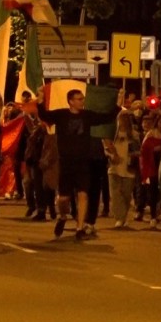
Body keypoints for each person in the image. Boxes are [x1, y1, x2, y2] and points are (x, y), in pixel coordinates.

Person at [36, 87, 122, 239]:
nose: (82, 101)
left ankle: (79, 228)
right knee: (63, 198)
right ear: (71, 101)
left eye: (83, 98)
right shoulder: (61, 115)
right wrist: (41, 100)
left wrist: (118, 104)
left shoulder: (87, 116)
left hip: (82, 161)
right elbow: (44, 115)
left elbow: (106, 118)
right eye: (79, 99)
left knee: (83, 194)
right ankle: (63, 216)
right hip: (66, 162)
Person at [107, 111, 140, 228]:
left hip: (128, 167)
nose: (123, 121)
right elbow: (106, 149)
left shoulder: (134, 135)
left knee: (126, 193)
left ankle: (124, 216)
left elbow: (138, 151)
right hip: (114, 167)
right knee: (116, 193)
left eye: (126, 118)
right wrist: (112, 156)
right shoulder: (112, 134)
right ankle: (119, 218)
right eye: (121, 118)